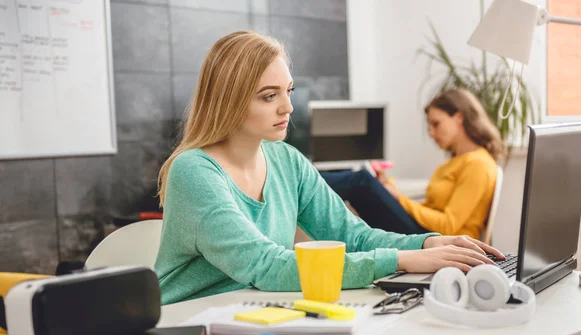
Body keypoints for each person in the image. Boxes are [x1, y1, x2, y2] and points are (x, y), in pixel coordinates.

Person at [154, 31, 504, 305]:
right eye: (268, 95)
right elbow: (266, 266)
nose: (288, 107)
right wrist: (402, 260)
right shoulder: (194, 172)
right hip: (187, 327)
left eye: (288, 91)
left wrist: (429, 243)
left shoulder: (287, 161)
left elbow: (352, 236)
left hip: (252, 315)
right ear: (228, 100)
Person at [320, 88, 504, 239]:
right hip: (428, 232)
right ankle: (303, 185)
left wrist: (399, 199)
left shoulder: (478, 164)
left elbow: (449, 225)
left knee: (360, 181)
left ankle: (299, 180)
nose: (431, 133)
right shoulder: (455, 162)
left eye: (436, 124)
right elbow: (430, 209)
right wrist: (387, 190)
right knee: (363, 185)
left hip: (442, 240)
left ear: (459, 118)